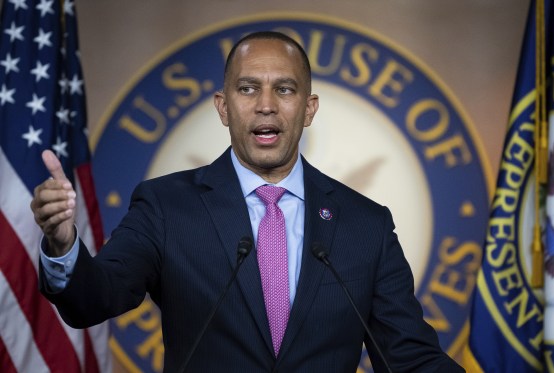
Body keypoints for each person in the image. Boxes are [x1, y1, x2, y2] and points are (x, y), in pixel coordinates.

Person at [31, 31, 465, 372]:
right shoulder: (166, 206)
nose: (265, 106)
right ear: (223, 107)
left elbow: (410, 359)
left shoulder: (365, 224)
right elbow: (95, 298)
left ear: (309, 108)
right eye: (247, 88)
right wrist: (62, 243)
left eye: (285, 90)